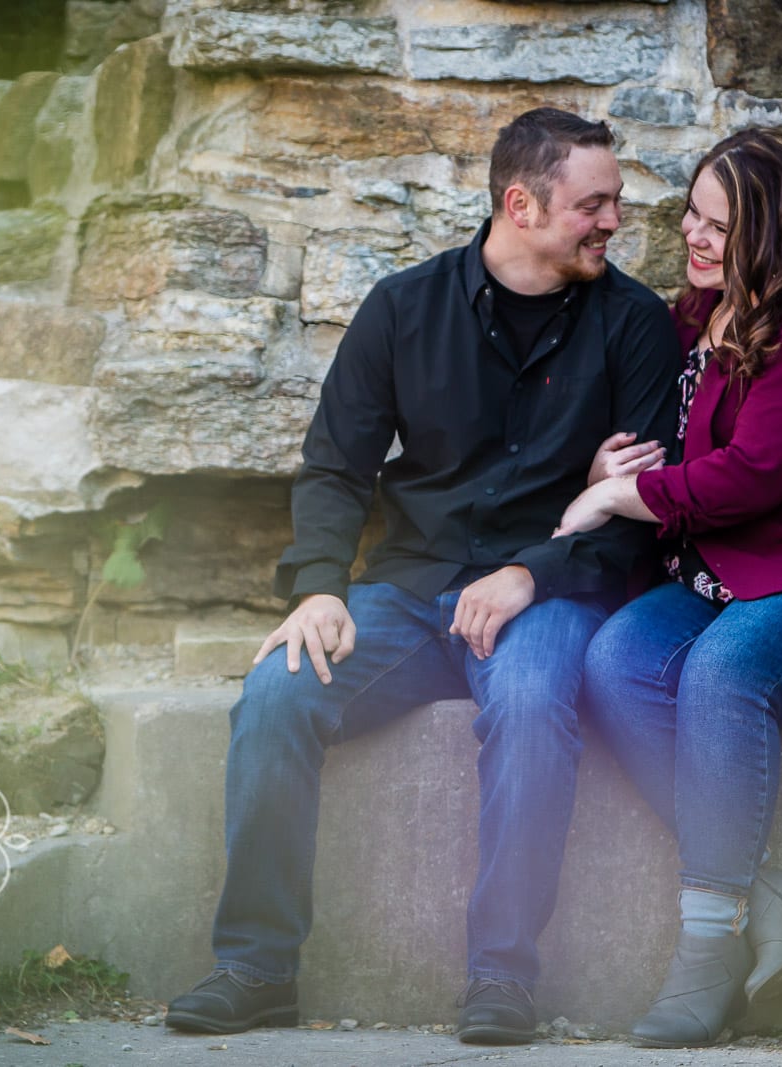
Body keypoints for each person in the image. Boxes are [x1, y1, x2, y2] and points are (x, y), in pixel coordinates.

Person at [164, 107, 681, 1045]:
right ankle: (255, 965)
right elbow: (334, 464)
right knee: (278, 691)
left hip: (549, 594)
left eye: (616, 202)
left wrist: (532, 569)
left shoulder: (637, 326)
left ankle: (501, 979)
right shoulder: (403, 308)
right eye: (593, 205)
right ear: (520, 204)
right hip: (404, 589)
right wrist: (320, 584)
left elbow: (645, 511)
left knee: (529, 704)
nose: (615, 221)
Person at [553, 127, 782, 1048]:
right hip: (728, 585)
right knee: (614, 662)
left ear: (774, 233)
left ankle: (707, 958)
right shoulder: (689, 321)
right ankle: (770, 897)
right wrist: (613, 458)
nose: (697, 235)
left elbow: (747, 478)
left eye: (721, 225)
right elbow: (664, 440)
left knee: (721, 673)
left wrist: (621, 495)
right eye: (693, 212)